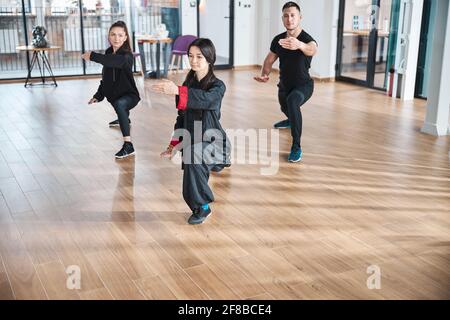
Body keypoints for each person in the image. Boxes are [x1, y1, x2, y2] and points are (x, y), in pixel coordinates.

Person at [152, 38, 230, 225]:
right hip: (195, 141)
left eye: (199, 57)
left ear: (210, 59)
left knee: (194, 156)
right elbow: (182, 118)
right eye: (190, 56)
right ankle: (212, 166)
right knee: (191, 157)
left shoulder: (218, 87)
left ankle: (203, 206)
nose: (193, 60)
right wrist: (173, 145)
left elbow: (206, 99)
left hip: (215, 144)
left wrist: (178, 90)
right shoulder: (188, 84)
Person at [254, 1, 317, 163]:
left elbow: (313, 49)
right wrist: (264, 75)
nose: (289, 19)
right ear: (282, 19)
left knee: (292, 101)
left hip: (304, 85)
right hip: (284, 85)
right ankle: (291, 119)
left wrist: (299, 45)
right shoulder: (278, 40)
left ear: (300, 17)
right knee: (285, 106)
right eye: (286, 16)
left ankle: (296, 146)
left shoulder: (306, 39)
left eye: (293, 15)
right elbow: (269, 60)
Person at [81, 20, 140, 159]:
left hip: (130, 96)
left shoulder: (127, 56)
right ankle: (124, 118)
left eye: (120, 35)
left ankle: (128, 145)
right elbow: (106, 78)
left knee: (120, 104)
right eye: (113, 35)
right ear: (109, 36)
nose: (116, 38)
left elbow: (114, 62)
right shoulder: (108, 53)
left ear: (125, 37)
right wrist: (98, 95)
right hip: (115, 95)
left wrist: (93, 56)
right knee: (118, 104)